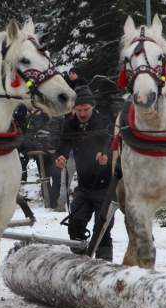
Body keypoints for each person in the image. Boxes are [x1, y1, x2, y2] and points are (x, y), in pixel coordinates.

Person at [55, 85, 113, 261]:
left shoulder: (104, 120)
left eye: (85, 109)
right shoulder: (70, 124)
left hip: (105, 185)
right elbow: (64, 144)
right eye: (78, 110)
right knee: (75, 223)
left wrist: (106, 156)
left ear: (92, 107)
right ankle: (80, 261)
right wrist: (61, 156)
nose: (81, 114)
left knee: (102, 228)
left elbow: (112, 142)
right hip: (84, 185)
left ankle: (104, 266)